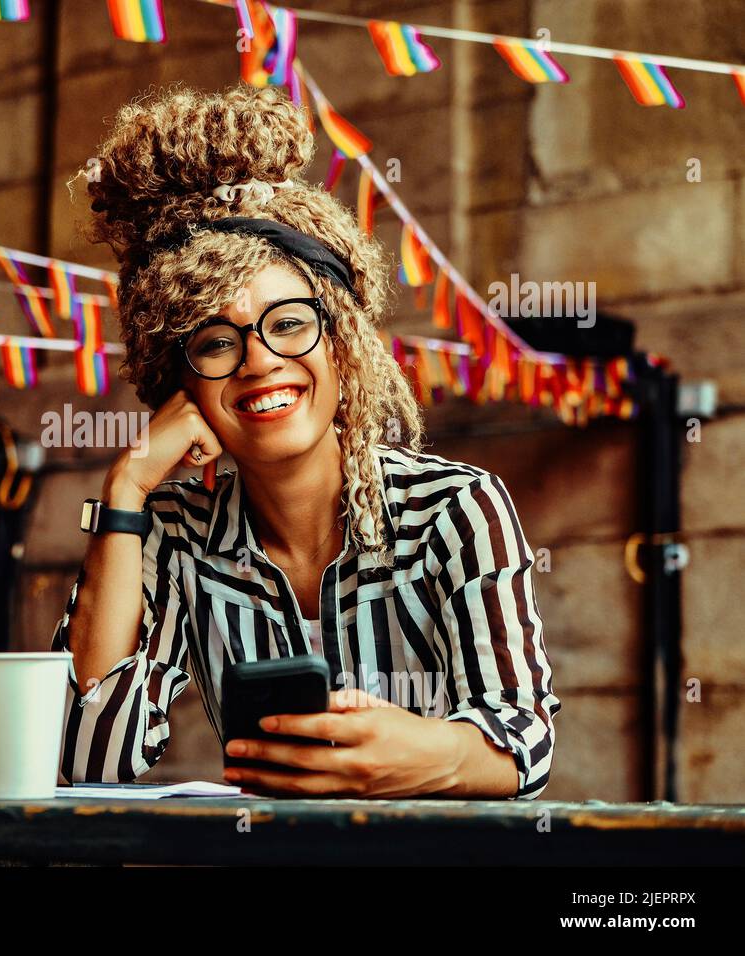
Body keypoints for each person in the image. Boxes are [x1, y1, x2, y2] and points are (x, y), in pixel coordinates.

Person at [50, 83, 560, 799]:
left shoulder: (456, 509)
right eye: (216, 341)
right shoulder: (169, 534)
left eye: (289, 323)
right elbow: (88, 756)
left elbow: (526, 742)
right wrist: (127, 488)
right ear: (180, 383)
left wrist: (429, 754)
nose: (259, 360)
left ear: (343, 342)